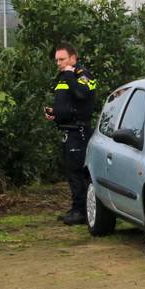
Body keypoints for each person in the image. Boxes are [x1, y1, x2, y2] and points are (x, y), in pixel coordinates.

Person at [44, 43, 97, 225]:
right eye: (57, 60)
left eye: (62, 59)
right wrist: (55, 112)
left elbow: (81, 94)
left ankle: (81, 211)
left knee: (77, 172)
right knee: (70, 171)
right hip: (68, 131)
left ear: (73, 58)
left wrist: (68, 74)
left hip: (79, 133)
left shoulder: (83, 76)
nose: (59, 63)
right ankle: (77, 207)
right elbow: (69, 105)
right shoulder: (64, 78)